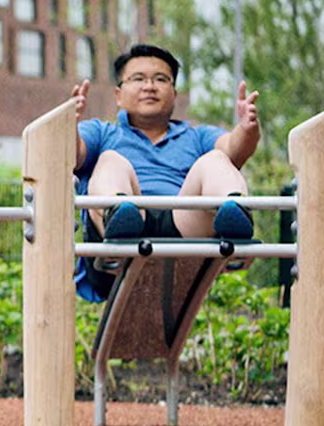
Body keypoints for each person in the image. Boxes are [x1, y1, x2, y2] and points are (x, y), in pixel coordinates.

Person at [69, 42, 262, 300]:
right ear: (118, 94)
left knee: (216, 159)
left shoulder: (196, 137)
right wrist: (67, 124)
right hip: (120, 233)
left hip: (182, 231)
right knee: (110, 160)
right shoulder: (103, 132)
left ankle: (236, 218)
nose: (150, 86)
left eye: (161, 79)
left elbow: (233, 149)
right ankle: (120, 218)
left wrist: (247, 129)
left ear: (174, 92)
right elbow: (72, 156)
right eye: (138, 78)